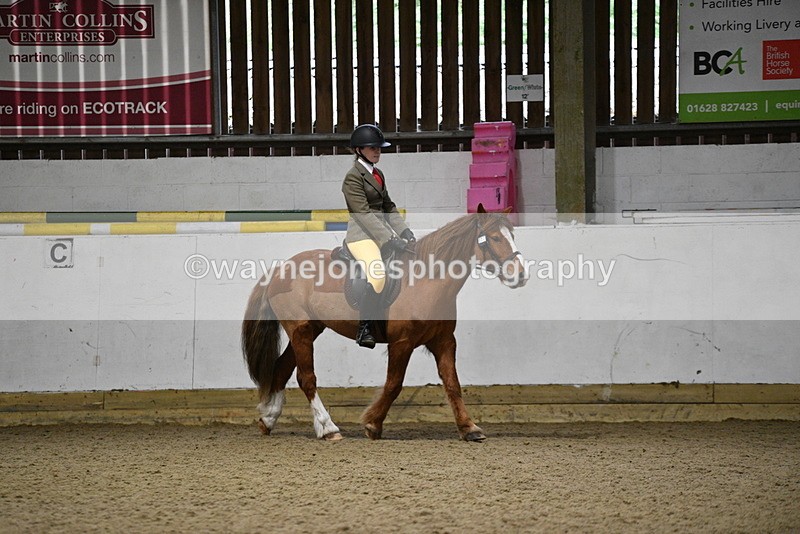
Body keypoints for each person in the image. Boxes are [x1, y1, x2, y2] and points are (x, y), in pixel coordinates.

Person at [342, 124, 415, 349]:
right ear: (359, 150)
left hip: (381, 234)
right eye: (372, 148)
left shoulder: (377, 173)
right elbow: (363, 214)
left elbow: (388, 206)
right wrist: (389, 238)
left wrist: (404, 231)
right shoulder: (353, 177)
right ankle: (364, 329)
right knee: (377, 276)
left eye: (379, 148)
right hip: (362, 237)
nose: (377, 152)